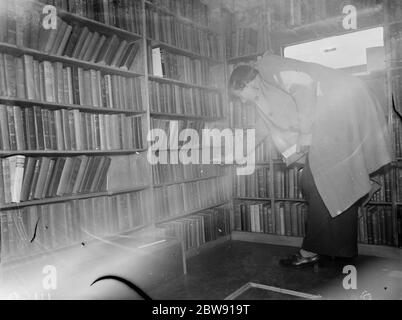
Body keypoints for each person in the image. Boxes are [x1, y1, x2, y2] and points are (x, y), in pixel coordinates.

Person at [229, 52, 393, 268]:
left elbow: (304, 86)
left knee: (320, 184)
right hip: (324, 123)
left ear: (246, 83)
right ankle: (359, 187)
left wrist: (305, 134)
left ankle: (310, 251)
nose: (241, 101)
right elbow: (262, 128)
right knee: (309, 182)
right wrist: (241, 151)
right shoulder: (261, 95)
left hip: (338, 109)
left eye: (239, 94)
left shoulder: (268, 66)